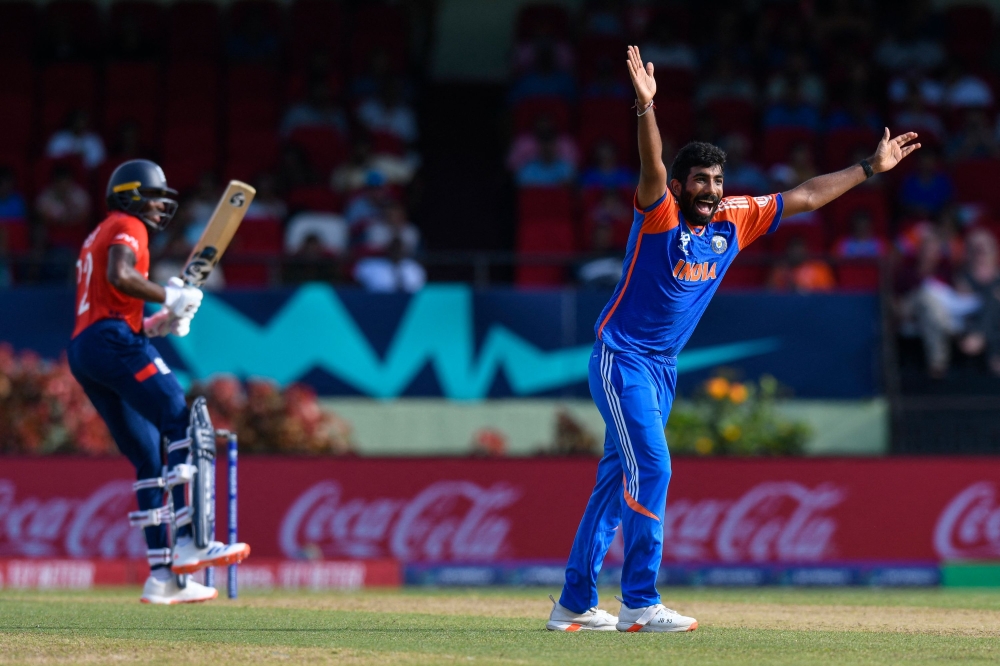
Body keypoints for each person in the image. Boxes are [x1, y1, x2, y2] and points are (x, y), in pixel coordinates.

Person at [547, 45, 920, 634]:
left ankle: (573, 602)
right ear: (681, 183)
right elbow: (650, 167)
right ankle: (640, 601)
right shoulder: (659, 214)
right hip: (622, 360)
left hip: (661, 369)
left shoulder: (735, 218)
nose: (711, 189)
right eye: (701, 180)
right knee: (654, 468)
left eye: (717, 180)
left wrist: (869, 168)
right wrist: (645, 110)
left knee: (618, 478)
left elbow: (806, 196)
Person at [66, 160, 250, 604]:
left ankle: (163, 576)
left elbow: (108, 301)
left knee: (149, 457)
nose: (159, 206)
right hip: (110, 340)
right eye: (153, 196)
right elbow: (120, 277)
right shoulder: (128, 223)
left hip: (88, 346)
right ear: (130, 195)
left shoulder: (100, 229)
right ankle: (190, 541)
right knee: (180, 419)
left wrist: (157, 323)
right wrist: (172, 294)